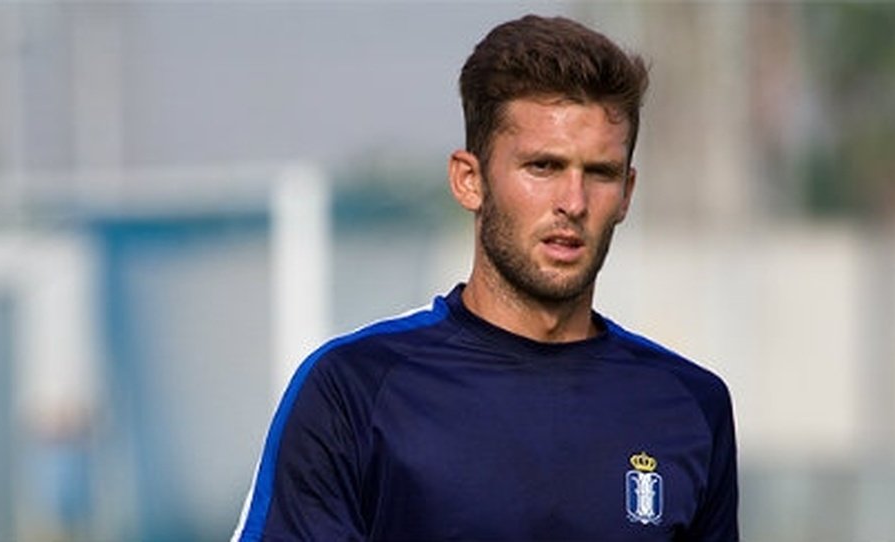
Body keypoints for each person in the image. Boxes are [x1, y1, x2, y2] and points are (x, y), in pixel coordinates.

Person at [233, 14, 738, 542]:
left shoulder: (690, 406)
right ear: (469, 180)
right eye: (542, 167)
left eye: (600, 173)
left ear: (627, 193)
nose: (573, 202)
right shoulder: (353, 390)